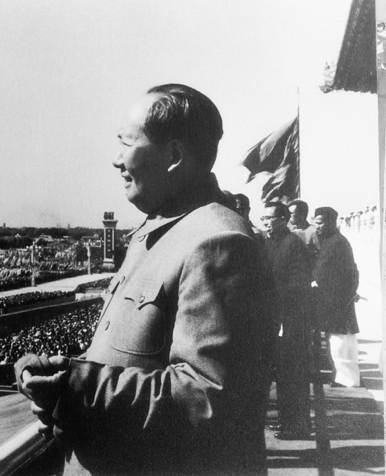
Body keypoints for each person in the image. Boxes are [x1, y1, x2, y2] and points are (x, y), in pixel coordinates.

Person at [15, 84, 275, 475]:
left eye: (126, 143)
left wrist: (74, 389)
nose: (116, 159)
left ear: (174, 155)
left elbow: (207, 399)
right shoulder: (157, 231)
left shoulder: (219, 242)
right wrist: (55, 384)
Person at [261, 201, 312, 439]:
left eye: (270, 218)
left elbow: (299, 282)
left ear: (283, 219)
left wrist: (274, 297)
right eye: (263, 218)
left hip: (291, 320)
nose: (265, 223)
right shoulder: (268, 243)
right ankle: (286, 421)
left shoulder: (294, 244)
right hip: (274, 318)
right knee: (281, 373)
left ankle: (297, 426)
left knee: (293, 374)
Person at [312, 207, 361, 388]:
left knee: (342, 344)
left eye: (321, 223)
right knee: (334, 342)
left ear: (332, 222)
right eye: (316, 223)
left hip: (339, 302)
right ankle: (340, 377)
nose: (317, 227)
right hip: (330, 301)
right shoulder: (328, 241)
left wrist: (346, 296)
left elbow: (352, 273)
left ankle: (348, 381)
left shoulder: (339, 242)